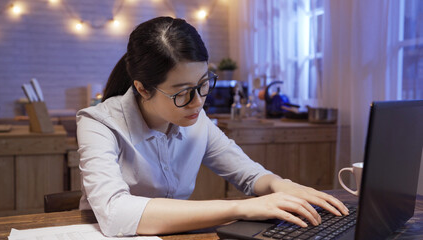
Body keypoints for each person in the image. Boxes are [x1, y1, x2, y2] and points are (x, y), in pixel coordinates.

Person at [76, 16, 349, 237]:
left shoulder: (196, 120)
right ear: (142, 89)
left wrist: (282, 186)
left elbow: (250, 176)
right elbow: (116, 213)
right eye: (182, 92)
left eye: (203, 84)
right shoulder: (98, 123)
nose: (198, 102)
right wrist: (241, 209)